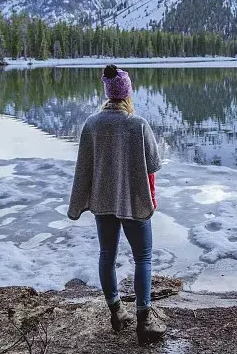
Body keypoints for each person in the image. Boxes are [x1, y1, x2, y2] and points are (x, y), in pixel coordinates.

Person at [68, 64, 167, 346]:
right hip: (134, 201)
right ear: (127, 93)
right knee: (143, 258)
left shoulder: (91, 124)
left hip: (102, 202)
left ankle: (117, 313)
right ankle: (144, 322)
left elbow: (83, 168)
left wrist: (81, 199)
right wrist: (151, 198)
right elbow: (152, 167)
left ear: (108, 93)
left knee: (106, 255)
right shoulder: (137, 125)